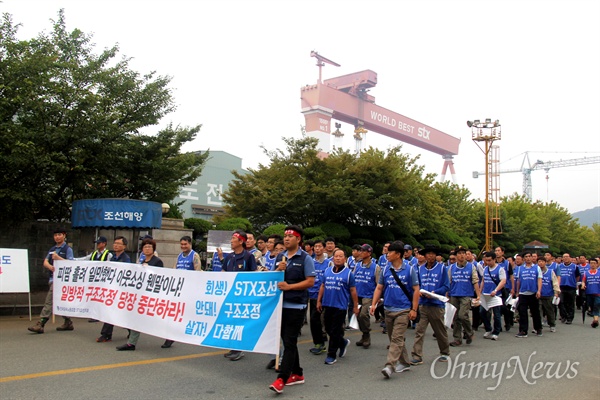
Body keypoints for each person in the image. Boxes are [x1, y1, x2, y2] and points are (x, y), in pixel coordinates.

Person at [269, 226, 315, 395]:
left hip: (296, 306)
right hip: (280, 305)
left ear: (298, 239)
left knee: (289, 341)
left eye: (290, 236)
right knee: (288, 341)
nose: (286, 238)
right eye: (285, 236)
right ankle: (298, 373)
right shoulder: (280, 257)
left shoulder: (305, 258)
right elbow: (273, 280)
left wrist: (290, 287)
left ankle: (282, 378)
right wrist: (278, 270)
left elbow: (310, 282)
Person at [370, 241, 420, 379]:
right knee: (394, 338)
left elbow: (416, 290)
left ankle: (389, 365)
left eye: (390, 252)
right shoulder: (385, 269)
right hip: (388, 308)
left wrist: (414, 309)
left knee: (397, 339)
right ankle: (404, 363)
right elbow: (379, 287)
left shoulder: (409, 270)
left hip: (403, 310)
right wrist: (374, 304)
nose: (387, 254)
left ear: (398, 254)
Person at [116, 237, 164, 351]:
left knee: (158, 319)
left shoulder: (157, 261)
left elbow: (160, 277)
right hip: (141, 295)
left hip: (152, 295)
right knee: (136, 317)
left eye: (149, 247)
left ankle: (169, 335)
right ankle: (131, 343)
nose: (147, 249)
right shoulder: (142, 262)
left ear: (153, 249)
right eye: (145, 247)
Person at [217, 230, 257, 361]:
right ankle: (233, 347)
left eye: (234, 238)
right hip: (230, 296)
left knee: (240, 322)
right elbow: (223, 272)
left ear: (241, 241)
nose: (231, 241)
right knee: (231, 321)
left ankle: (239, 349)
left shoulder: (248, 257)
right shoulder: (229, 257)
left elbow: (254, 275)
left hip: (242, 297)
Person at [28, 227, 75, 334]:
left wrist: (58, 258)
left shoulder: (67, 249)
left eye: (59, 235)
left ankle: (41, 323)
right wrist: (49, 266)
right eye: (55, 235)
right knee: (59, 301)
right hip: (52, 278)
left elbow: (71, 264)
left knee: (49, 301)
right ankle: (68, 322)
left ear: (64, 235)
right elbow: (45, 262)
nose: (57, 237)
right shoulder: (52, 249)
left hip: (61, 280)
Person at [317, 249, 359, 365]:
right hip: (327, 304)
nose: (338, 258)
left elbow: (353, 291)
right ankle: (342, 342)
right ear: (333, 258)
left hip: (340, 306)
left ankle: (331, 355)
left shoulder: (349, 273)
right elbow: (323, 286)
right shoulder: (327, 271)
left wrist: (355, 306)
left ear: (345, 258)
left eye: (341, 256)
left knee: (335, 330)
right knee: (329, 329)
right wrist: (319, 301)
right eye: (336, 256)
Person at [410, 245, 450, 365]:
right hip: (423, 304)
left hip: (436, 304)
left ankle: (444, 352)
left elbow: (446, 286)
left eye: (433, 254)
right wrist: (420, 292)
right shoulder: (420, 269)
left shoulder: (442, 269)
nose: (430, 256)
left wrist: (434, 292)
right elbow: (417, 285)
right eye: (428, 254)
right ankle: (417, 355)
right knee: (419, 330)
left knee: (439, 331)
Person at [97, 236, 132, 342]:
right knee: (110, 311)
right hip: (112, 289)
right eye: (115, 243)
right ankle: (106, 334)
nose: (116, 245)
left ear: (124, 246)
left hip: (121, 290)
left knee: (120, 313)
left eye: (119, 243)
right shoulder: (112, 258)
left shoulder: (126, 259)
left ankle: (131, 330)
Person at [448, 246, 481, 346]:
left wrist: (478, 295)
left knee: (462, 315)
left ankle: (469, 332)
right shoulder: (452, 267)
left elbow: (475, 281)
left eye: (463, 253)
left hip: (466, 294)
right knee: (455, 317)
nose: (462, 255)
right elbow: (449, 282)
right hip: (454, 294)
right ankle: (457, 338)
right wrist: (446, 295)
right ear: (456, 255)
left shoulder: (471, 267)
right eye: (459, 253)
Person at [354, 244, 380, 349]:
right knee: (357, 315)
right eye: (360, 250)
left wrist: (376, 299)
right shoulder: (357, 265)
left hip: (368, 296)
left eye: (363, 251)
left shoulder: (375, 267)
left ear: (369, 253)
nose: (360, 253)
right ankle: (363, 334)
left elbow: (379, 284)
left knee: (363, 315)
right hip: (357, 295)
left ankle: (366, 334)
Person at [514, 252, 543, 338]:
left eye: (529, 256)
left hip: (533, 293)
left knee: (535, 312)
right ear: (523, 259)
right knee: (522, 312)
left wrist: (539, 291)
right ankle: (523, 330)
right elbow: (518, 280)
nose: (528, 258)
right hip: (523, 293)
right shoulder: (520, 268)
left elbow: (539, 280)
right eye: (526, 257)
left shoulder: (537, 268)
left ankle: (538, 329)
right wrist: (517, 291)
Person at [479, 251, 506, 340]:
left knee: (497, 314)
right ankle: (488, 328)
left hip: (496, 295)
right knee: (482, 312)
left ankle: (496, 332)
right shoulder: (485, 269)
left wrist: (496, 290)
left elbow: (503, 281)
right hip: (485, 294)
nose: (488, 262)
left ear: (494, 259)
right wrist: (480, 291)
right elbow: (483, 280)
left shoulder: (500, 269)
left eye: (490, 260)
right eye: (486, 260)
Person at [308, 240, 329, 355]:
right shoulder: (310, 261)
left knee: (327, 321)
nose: (317, 249)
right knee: (314, 320)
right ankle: (319, 343)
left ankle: (340, 341)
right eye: (315, 246)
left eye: (319, 246)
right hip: (311, 295)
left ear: (324, 249)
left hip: (324, 296)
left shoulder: (328, 263)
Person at [537, 257, 560, 333]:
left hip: (548, 294)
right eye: (539, 261)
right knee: (538, 311)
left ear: (545, 262)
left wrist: (556, 292)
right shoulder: (536, 271)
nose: (540, 263)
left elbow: (555, 282)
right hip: (538, 294)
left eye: (542, 261)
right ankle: (538, 326)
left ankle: (552, 325)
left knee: (549, 311)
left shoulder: (550, 272)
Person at [558, 253, 580, 324]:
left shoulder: (575, 266)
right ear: (562, 258)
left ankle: (570, 318)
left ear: (570, 258)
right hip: (561, 286)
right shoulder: (559, 266)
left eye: (567, 257)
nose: (566, 258)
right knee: (561, 302)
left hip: (571, 287)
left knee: (570, 303)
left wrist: (574, 282)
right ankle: (563, 316)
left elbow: (577, 276)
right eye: (564, 257)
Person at [581, 258, 600, 328]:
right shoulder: (586, 273)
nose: (593, 265)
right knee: (591, 306)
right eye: (591, 263)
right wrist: (583, 285)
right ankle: (595, 319)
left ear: (597, 264)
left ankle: (595, 320)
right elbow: (583, 281)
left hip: (598, 293)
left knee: (596, 306)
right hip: (589, 293)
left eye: (594, 263)